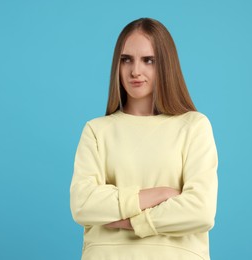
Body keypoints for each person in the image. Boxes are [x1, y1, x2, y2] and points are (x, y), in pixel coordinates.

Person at [70, 18, 218, 260]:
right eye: (126, 59)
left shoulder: (193, 126)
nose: (135, 71)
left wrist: (132, 222)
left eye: (148, 60)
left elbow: (200, 211)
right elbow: (82, 204)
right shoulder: (97, 130)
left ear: (166, 65)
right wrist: (160, 194)